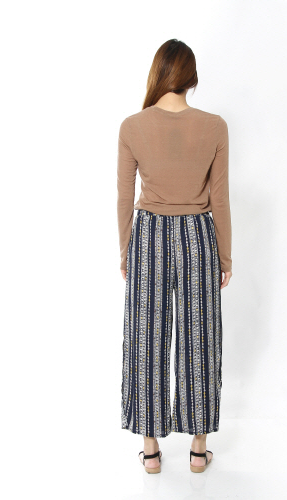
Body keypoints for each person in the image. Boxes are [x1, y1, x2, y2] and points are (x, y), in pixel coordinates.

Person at [117, 39, 232, 474]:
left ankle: (150, 452)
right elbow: (219, 199)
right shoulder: (214, 126)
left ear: (158, 74)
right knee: (200, 338)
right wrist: (225, 257)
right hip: (198, 236)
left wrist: (126, 251)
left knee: (146, 338)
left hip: (148, 236)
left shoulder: (132, 126)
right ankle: (198, 451)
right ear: (191, 78)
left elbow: (124, 197)